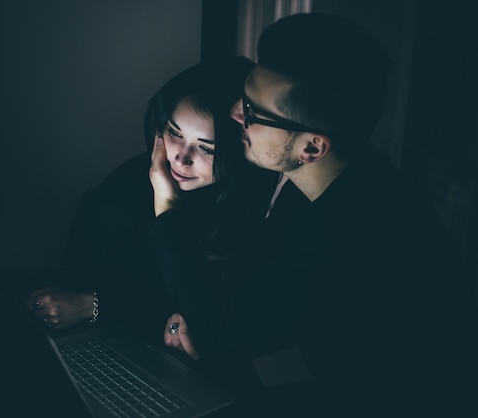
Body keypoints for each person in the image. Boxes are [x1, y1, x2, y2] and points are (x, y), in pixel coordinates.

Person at [148, 12, 478, 416]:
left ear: (311, 148)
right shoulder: (332, 180)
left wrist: (166, 208)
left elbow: (224, 331)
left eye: (252, 111)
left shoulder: (351, 227)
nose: (235, 111)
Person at [23, 56, 276, 345]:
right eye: (174, 133)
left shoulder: (262, 203)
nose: (180, 158)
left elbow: (216, 313)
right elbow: (75, 288)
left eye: (206, 148)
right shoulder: (121, 194)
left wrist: (92, 306)